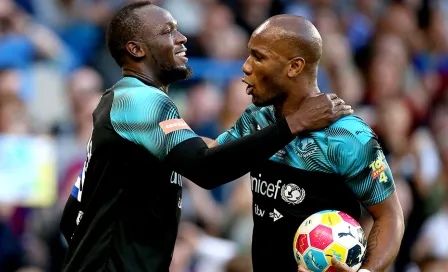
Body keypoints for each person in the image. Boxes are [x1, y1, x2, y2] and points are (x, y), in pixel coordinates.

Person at [59, 2, 352, 272]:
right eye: (168, 31)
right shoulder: (140, 100)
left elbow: (72, 215)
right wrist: (295, 123)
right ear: (137, 49)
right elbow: (207, 168)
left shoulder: (121, 102)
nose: (182, 37)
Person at [207, 15, 405, 272]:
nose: (245, 67)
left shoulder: (346, 136)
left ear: (294, 67)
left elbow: (389, 216)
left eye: (258, 57)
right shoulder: (258, 118)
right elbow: (211, 160)